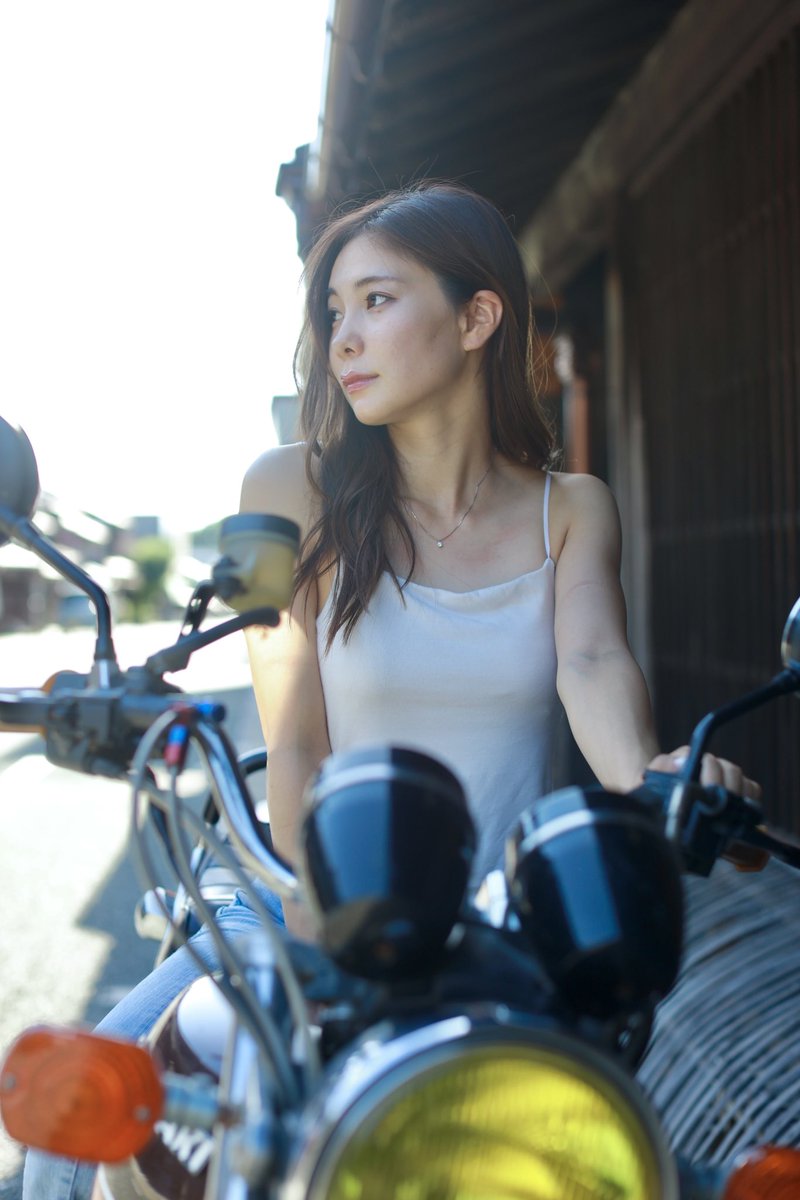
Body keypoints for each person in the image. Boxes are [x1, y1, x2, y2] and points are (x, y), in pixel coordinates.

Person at [23, 180, 758, 1199]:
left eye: (375, 301)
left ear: (475, 317)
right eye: (333, 311)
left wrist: (662, 785)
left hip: (500, 921)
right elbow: (294, 737)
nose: (342, 339)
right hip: (297, 899)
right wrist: (312, 918)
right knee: (77, 1124)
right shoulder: (290, 489)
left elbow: (590, 663)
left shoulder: (569, 509)